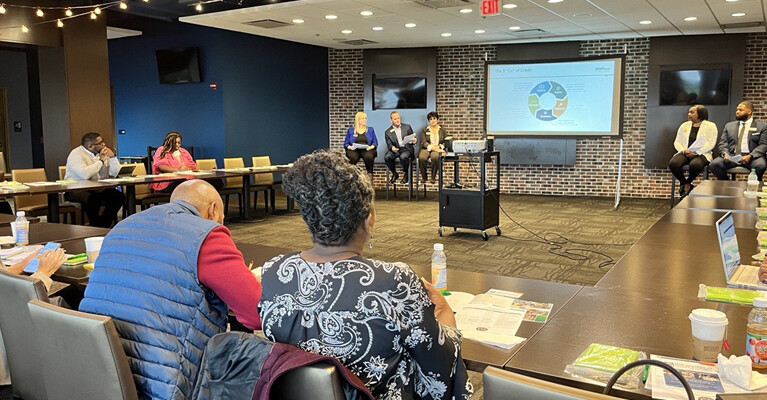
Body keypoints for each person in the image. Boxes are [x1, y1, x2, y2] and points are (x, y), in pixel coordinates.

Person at [258, 149, 472, 400]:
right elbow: (439, 375)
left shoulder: (274, 272)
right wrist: (447, 320)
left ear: (309, 220)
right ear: (369, 221)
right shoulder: (395, 280)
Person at [78, 179, 262, 400]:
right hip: (169, 383)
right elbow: (256, 314)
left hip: (100, 371)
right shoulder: (208, 235)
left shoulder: (122, 225)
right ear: (213, 211)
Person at [64, 132, 126, 228]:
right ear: (90, 146)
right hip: (76, 189)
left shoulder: (99, 153)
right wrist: (100, 161)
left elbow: (114, 173)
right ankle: (96, 225)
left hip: (97, 188)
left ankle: (102, 225)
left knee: (118, 196)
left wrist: (113, 157)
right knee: (93, 199)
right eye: (100, 143)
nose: (104, 145)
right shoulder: (76, 154)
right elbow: (84, 174)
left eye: (103, 141)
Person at [667, 105, 718, 197]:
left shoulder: (711, 126)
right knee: (673, 163)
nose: (689, 114)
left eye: (692, 112)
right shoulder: (684, 125)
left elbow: (711, 143)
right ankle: (686, 184)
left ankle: (687, 183)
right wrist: (683, 150)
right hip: (685, 152)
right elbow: (677, 141)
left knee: (695, 165)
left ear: (700, 114)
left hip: (702, 153)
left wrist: (696, 153)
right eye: (689, 112)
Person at [709, 101, 767, 181]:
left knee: (760, 166)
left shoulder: (762, 126)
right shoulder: (729, 126)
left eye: (741, 110)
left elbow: (763, 145)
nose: (737, 112)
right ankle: (727, 184)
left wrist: (750, 156)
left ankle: (754, 187)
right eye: (737, 110)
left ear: (749, 112)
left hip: (752, 157)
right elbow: (723, 143)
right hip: (732, 156)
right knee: (714, 165)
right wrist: (725, 154)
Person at [383, 111, 417, 183]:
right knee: (387, 157)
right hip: (396, 149)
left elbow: (412, 138)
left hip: (406, 149)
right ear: (391, 120)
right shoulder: (388, 132)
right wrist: (392, 148)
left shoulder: (407, 127)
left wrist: (414, 141)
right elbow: (389, 144)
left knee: (403, 157)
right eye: (395, 119)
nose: (397, 120)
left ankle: (406, 174)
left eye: (398, 118)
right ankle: (394, 174)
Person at [418, 111, 447, 184]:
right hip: (427, 148)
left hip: (437, 149)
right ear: (429, 121)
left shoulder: (442, 130)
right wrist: (431, 147)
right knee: (422, 157)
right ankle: (424, 177)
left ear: (437, 119)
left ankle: (433, 177)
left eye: (434, 118)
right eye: (430, 119)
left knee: (435, 157)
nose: (432, 121)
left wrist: (440, 147)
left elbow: (445, 141)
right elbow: (424, 142)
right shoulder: (425, 130)